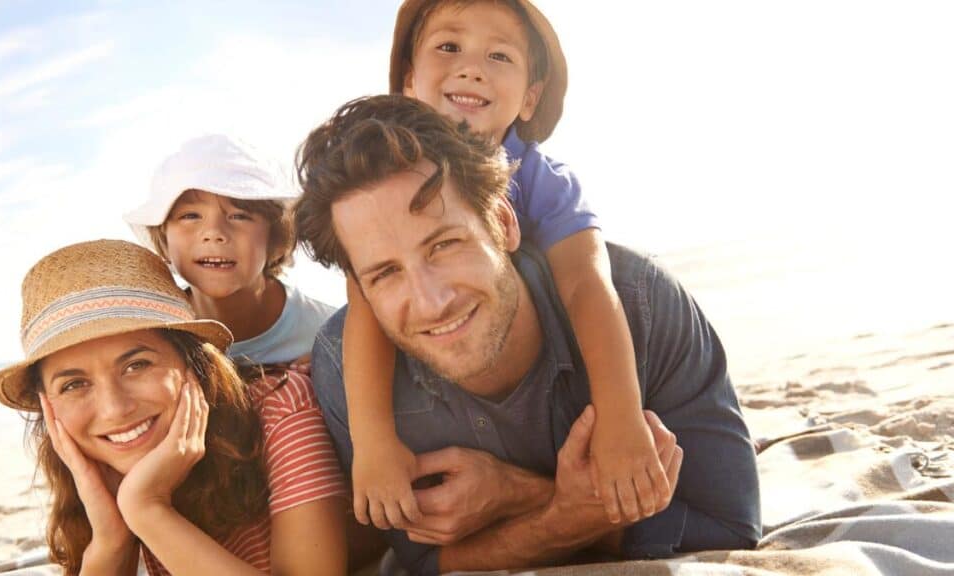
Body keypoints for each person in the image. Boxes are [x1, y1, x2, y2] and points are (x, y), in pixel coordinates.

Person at [294, 95, 761, 574]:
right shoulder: (342, 369)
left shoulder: (640, 303)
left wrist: (516, 495)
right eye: (385, 274)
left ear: (502, 221)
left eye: (445, 245)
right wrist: (564, 514)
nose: (432, 301)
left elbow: (730, 527)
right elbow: (425, 559)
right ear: (361, 293)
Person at [341, 0, 666, 531]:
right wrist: (374, 442)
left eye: (499, 55)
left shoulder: (543, 181)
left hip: (551, 386)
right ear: (408, 80)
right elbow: (366, 311)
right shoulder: (386, 183)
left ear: (529, 98)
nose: (471, 67)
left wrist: (621, 419)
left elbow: (588, 287)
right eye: (449, 47)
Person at [0, 239, 347, 575]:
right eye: (74, 385)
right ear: (48, 407)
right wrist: (111, 539)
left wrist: (147, 509)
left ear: (194, 364)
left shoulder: (281, 410)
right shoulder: (94, 472)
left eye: (137, 365)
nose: (115, 409)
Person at [124, 133, 335, 366]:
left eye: (239, 215)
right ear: (163, 242)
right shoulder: (155, 340)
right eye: (190, 216)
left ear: (275, 238)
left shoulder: (327, 332)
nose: (214, 232)